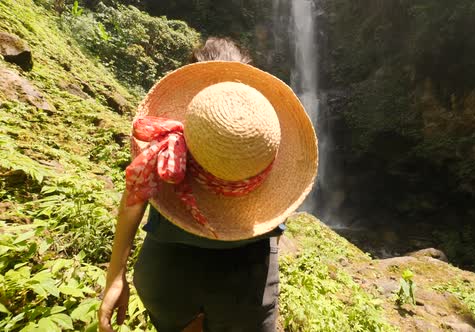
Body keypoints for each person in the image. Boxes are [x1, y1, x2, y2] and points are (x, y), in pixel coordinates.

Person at [98, 38, 318, 332]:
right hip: (247, 283)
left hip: (166, 276)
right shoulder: (262, 139)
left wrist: (115, 275)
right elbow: (277, 219)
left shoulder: (164, 143)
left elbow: (134, 196)